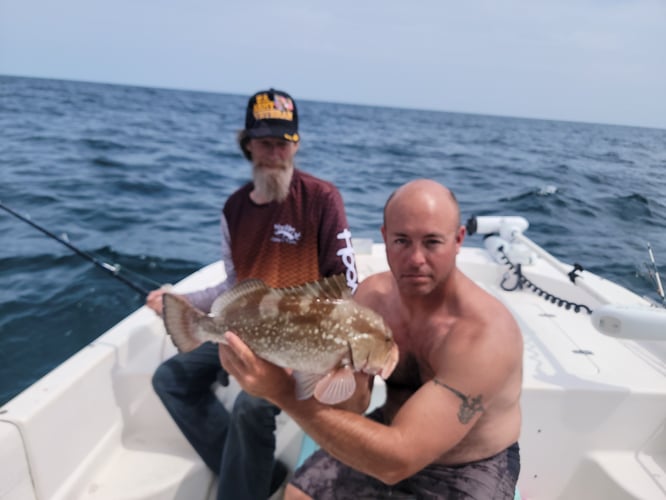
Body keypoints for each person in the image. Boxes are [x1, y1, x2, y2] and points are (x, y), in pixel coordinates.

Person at [219, 178, 523, 499]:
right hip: (391, 430)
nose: (416, 258)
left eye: (432, 242)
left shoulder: (483, 336)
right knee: (297, 495)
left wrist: (281, 393)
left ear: (458, 239)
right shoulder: (372, 299)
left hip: (468, 466)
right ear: (385, 237)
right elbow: (355, 405)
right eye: (402, 241)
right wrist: (311, 369)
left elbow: (397, 461)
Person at [147, 88, 358, 500]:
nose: (274, 153)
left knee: (251, 404)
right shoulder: (233, 209)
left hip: (299, 342)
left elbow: (346, 285)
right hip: (242, 330)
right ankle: (259, 477)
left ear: (295, 146)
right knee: (171, 379)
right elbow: (232, 284)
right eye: (264, 143)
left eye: (283, 143)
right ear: (247, 145)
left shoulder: (321, 199)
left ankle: (241, 487)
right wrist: (181, 303)